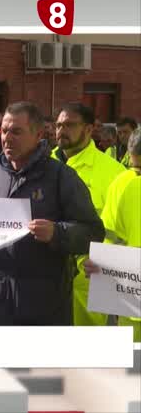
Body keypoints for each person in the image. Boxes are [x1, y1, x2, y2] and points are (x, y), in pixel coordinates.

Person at [0, 101, 104, 325]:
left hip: (43, 306)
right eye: (4, 130)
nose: (7, 138)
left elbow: (93, 232)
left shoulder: (60, 176)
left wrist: (57, 232)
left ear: (38, 135)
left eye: (17, 132)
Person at [50, 103, 126, 327]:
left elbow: (125, 227)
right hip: (46, 273)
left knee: (87, 339)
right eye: (59, 125)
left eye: (70, 125)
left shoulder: (113, 172)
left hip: (90, 274)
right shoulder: (44, 164)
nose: (61, 131)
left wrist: (111, 263)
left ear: (89, 129)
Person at [83, 127, 141, 341]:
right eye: (135, 167)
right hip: (132, 307)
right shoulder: (124, 182)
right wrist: (101, 263)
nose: (137, 174)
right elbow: (110, 234)